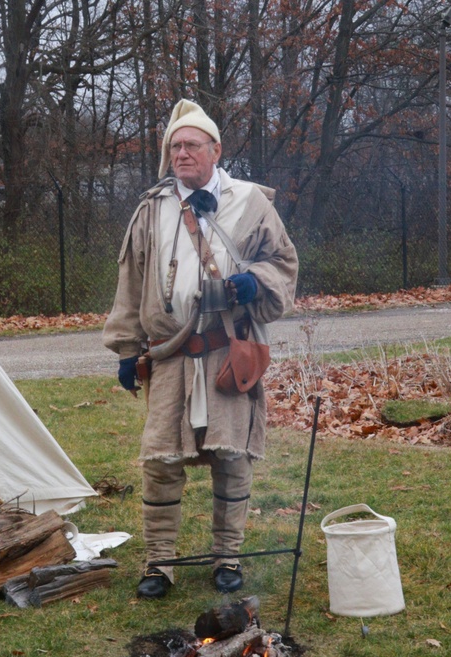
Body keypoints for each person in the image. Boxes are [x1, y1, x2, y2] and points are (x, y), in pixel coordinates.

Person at [102, 99, 298, 600]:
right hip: (169, 352)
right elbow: (131, 279)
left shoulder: (251, 202)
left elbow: (283, 262)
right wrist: (127, 348)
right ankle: (159, 564)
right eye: (175, 146)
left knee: (232, 458)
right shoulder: (152, 207)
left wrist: (255, 282)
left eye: (191, 145)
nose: (181, 154)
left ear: (216, 150)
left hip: (227, 347)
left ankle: (227, 558)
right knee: (160, 462)